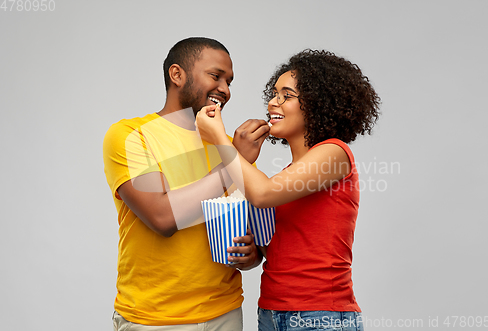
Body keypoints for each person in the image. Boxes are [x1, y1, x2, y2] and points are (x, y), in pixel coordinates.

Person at [196, 49, 380, 331]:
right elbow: (287, 248)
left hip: (319, 317)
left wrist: (219, 136)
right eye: (274, 93)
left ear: (317, 104)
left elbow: (262, 194)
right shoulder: (286, 177)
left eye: (287, 95)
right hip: (271, 312)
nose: (273, 102)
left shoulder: (334, 154)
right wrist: (254, 254)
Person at [103, 37, 270, 330]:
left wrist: (252, 253)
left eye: (229, 81)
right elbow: (163, 217)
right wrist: (235, 160)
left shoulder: (228, 147)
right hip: (154, 320)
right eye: (215, 76)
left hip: (226, 313)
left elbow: (252, 226)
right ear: (177, 75)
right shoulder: (131, 135)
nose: (225, 89)